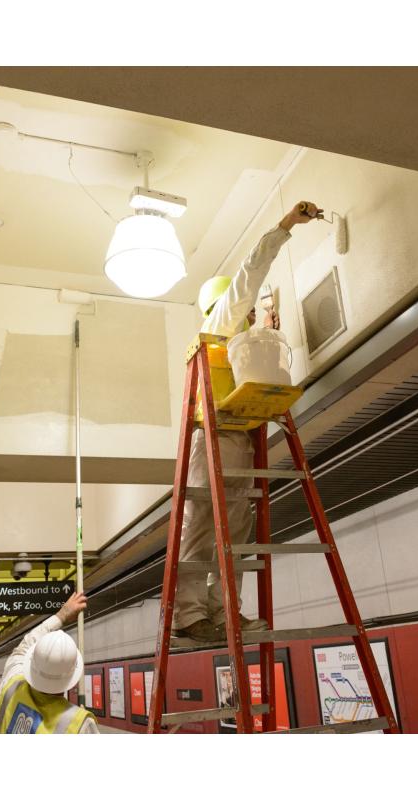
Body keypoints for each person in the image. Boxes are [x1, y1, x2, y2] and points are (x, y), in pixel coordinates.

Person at [172, 201, 321, 642]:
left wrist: (269, 330)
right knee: (201, 526)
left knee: (234, 535)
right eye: (249, 308)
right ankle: (188, 615)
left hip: (240, 438)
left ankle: (225, 615)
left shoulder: (243, 340)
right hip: (212, 436)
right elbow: (249, 275)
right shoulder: (222, 320)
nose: (253, 312)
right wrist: (285, 226)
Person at [0, 590, 99, 733]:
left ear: (32, 663)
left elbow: (23, 647)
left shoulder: (11, 685)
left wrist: (61, 615)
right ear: (72, 678)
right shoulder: (79, 724)